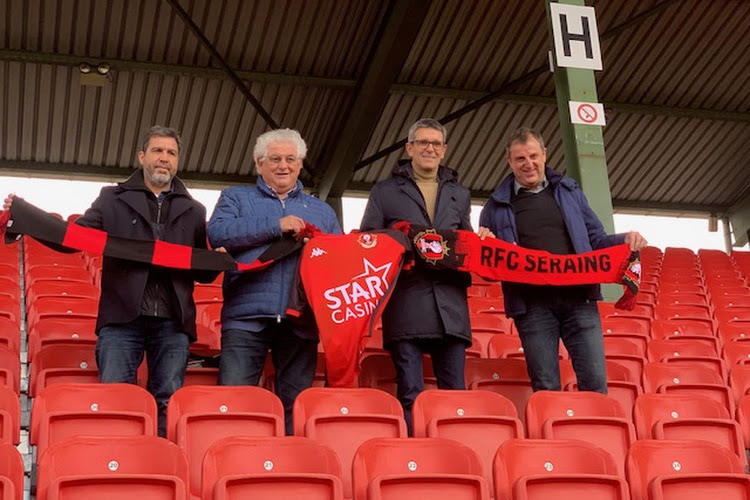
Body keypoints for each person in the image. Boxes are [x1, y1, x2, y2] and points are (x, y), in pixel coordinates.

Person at [4, 125, 219, 437]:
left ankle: (155, 460)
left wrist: (221, 257)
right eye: (158, 151)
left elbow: (202, 270)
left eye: (171, 153)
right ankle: (117, 460)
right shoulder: (111, 199)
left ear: (178, 162)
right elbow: (72, 238)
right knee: (115, 399)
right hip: (122, 320)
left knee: (167, 399)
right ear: (142, 156)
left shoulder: (195, 210)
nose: (164, 158)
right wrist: (26, 216)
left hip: (174, 321)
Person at [479, 127, 647, 393]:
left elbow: (597, 240)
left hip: (579, 301)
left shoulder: (570, 193)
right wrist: (483, 247)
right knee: (545, 385)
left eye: (533, 156)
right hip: (532, 307)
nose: (529, 164)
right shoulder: (494, 207)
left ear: (544, 155)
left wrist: (625, 240)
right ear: (509, 161)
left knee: (594, 382)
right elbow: (491, 270)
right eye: (520, 159)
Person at [360, 118, 491, 434]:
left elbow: (466, 241)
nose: (429, 148)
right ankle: (415, 453)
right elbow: (368, 238)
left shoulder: (460, 193)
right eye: (422, 142)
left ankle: (454, 452)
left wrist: (481, 238)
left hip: (451, 305)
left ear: (444, 151)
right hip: (407, 301)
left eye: (435, 143)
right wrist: (400, 239)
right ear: (409, 148)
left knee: (455, 393)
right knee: (410, 393)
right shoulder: (385, 191)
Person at [207, 128, 341, 434]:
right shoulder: (235, 198)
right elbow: (219, 232)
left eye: (291, 159)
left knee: (296, 403)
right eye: (275, 159)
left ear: (300, 164)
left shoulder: (322, 210)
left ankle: (291, 466)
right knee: (234, 399)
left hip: (301, 318)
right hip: (246, 314)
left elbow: (337, 259)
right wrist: (275, 225)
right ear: (259, 163)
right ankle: (231, 464)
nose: (284, 165)